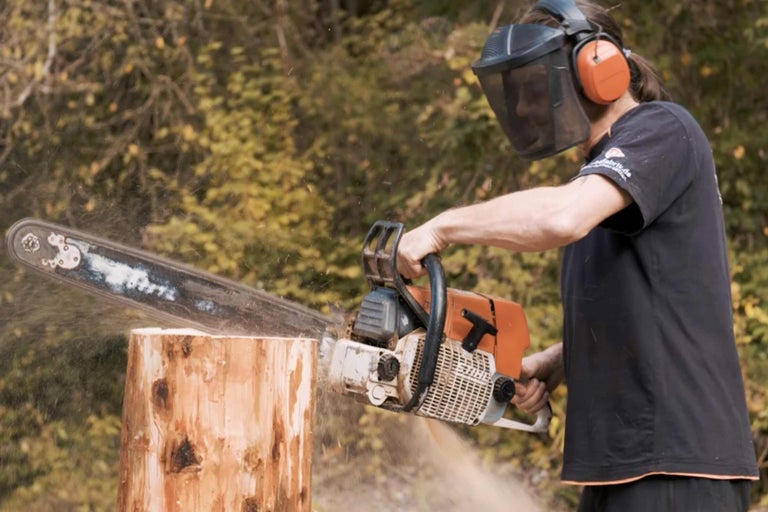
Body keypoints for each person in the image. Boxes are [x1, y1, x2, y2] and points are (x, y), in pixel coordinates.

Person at [395, 0, 760, 510]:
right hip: (624, 468)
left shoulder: (663, 129)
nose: (523, 108)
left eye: (533, 87)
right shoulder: (601, 181)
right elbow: (655, 301)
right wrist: (557, 363)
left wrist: (441, 228)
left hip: (677, 461)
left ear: (597, 66)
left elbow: (561, 218)